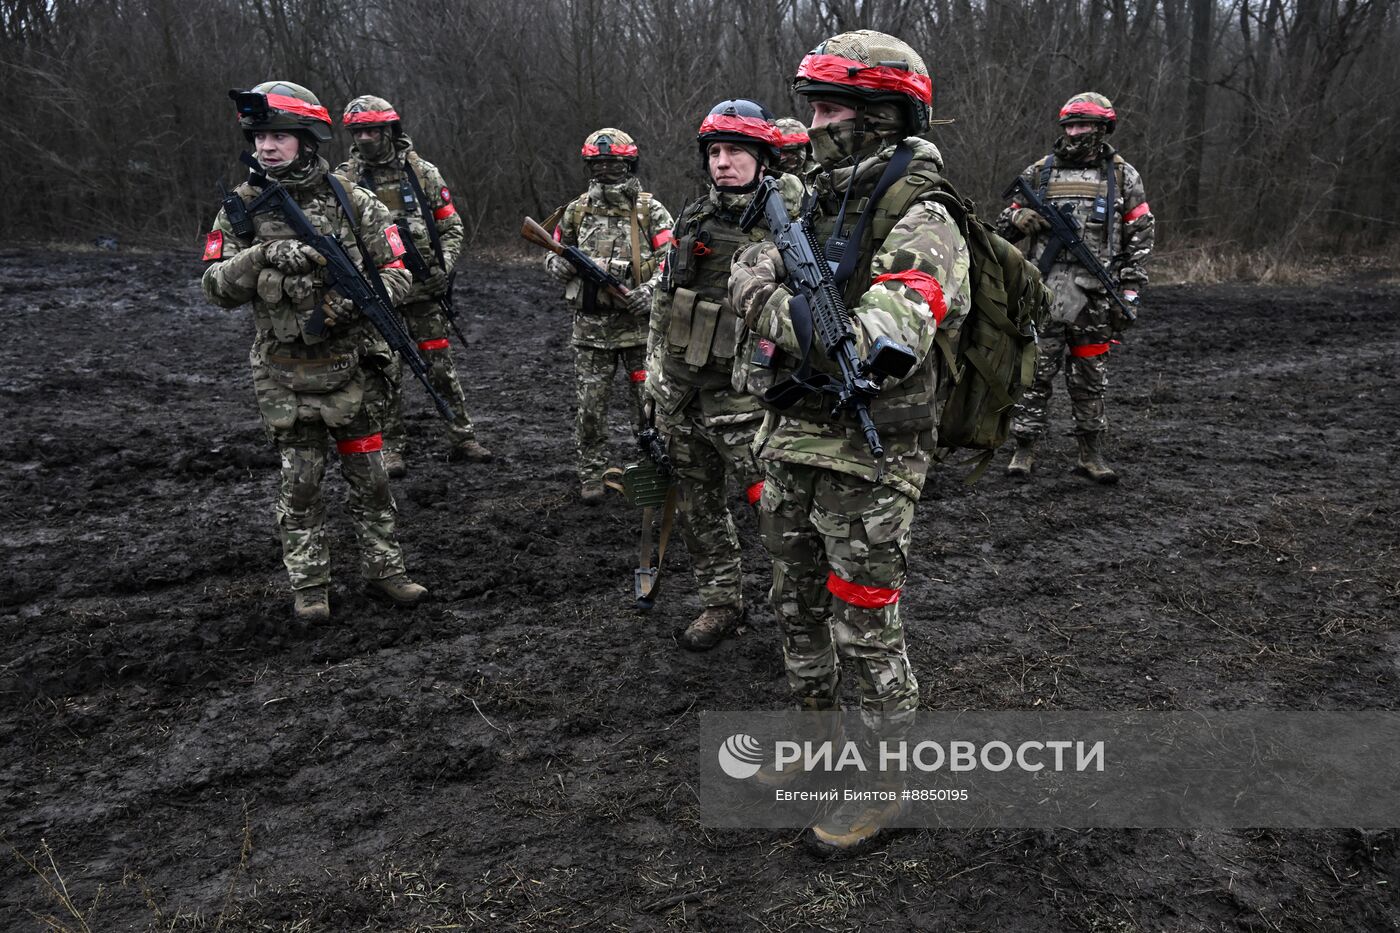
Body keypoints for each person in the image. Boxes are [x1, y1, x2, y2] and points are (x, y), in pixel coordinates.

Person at [729, 30, 971, 851]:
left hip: (873, 454)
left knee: (864, 623)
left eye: (831, 108)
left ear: (879, 115)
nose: (816, 124)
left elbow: (879, 343)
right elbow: (757, 267)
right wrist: (763, 287)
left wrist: (761, 297)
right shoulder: (810, 201)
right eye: (816, 106)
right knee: (793, 601)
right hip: (794, 433)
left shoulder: (927, 216)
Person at [201, 81, 427, 623]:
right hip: (284, 372)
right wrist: (258, 256)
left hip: (354, 367)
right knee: (300, 483)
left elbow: (400, 273)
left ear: (306, 139)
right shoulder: (241, 208)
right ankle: (310, 586)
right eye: (259, 137)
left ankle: (386, 571)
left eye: (279, 135)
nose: (267, 147)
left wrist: (351, 305)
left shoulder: (355, 199)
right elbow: (214, 287)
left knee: (370, 478)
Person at [646, 100, 804, 651]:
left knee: (776, 507)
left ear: (762, 157)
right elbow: (665, 302)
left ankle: (797, 606)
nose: (723, 162)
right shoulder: (692, 218)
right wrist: (653, 378)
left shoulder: (794, 219)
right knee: (697, 504)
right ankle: (721, 602)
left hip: (749, 398)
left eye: (735, 150)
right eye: (714, 151)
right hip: (686, 390)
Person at [999, 91, 1155, 483]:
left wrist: (1130, 291)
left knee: (1089, 378)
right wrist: (1018, 219)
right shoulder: (1041, 172)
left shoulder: (1122, 176)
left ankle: (1091, 453)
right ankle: (1023, 449)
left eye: (1082, 125)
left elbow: (1140, 236)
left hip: (1095, 298)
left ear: (1102, 128)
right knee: (1034, 375)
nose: (1074, 132)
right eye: (1069, 125)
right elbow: (1001, 226)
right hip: (1043, 294)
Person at [337, 94, 492, 477]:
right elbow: (338, 241)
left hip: (425, 294)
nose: (367, 138)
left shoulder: (422, 173)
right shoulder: (344, 181)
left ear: (391, 129)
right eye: (360, 131)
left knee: (440, 367)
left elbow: (451, 227)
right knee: (385, 371)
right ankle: (392, 448)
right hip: (379, 296)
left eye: (374, 129)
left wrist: (445, 268)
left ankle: (463, 436)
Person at [546, 129, 674, 503]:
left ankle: (650, 470)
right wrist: (556, 265)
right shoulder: (577, 209)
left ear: (628, 164)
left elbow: (671, 261)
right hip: (590, 332)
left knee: (647, 408)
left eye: (613, 162)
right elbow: (554, 247)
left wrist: (648, 294)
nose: (605, 169)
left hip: (638, 331)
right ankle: (591, 474)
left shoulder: (650, 210)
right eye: (598, 163)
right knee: (590, 410)